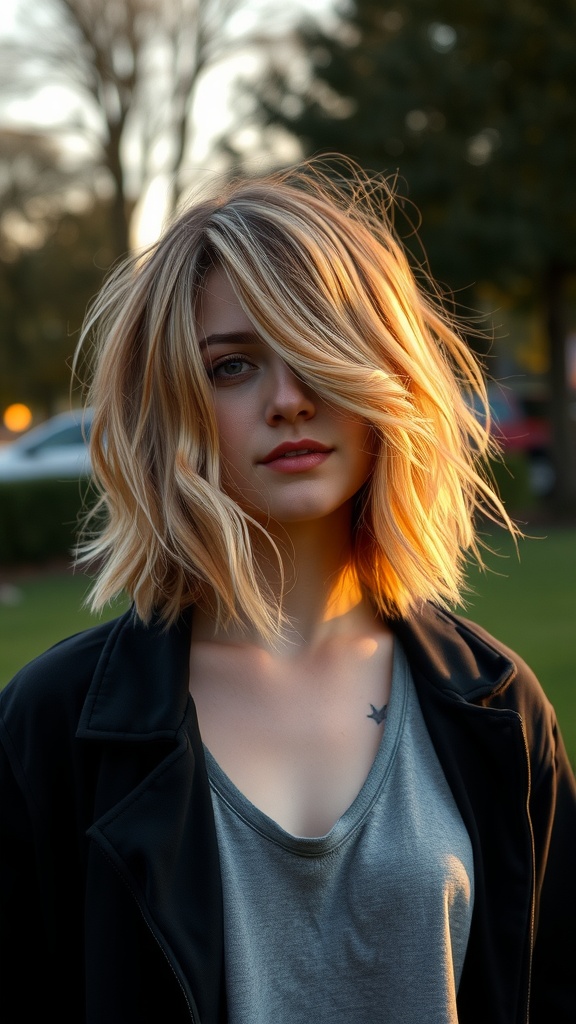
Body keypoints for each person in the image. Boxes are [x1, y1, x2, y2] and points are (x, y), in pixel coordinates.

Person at [0, 159, 574, 1024]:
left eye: (318, 351)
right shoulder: (55, 725)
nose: (289, 400)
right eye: (233, 367)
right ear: (173, 404)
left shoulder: (497, 708)